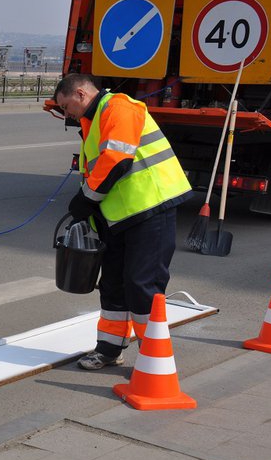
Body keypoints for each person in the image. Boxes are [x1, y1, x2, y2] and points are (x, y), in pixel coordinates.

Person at [53, 73, 193, 370]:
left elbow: (117, 160)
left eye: (66, 106)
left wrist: (87, 198)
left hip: (151, 207)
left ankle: (153, 359)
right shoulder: (94, 119)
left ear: (80, 94)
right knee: (113, 283)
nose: (67, 114)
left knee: (142, 284)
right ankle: (108, 349)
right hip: (119, 215)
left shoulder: (119, 107)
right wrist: (90, 208)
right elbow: (99, 166)